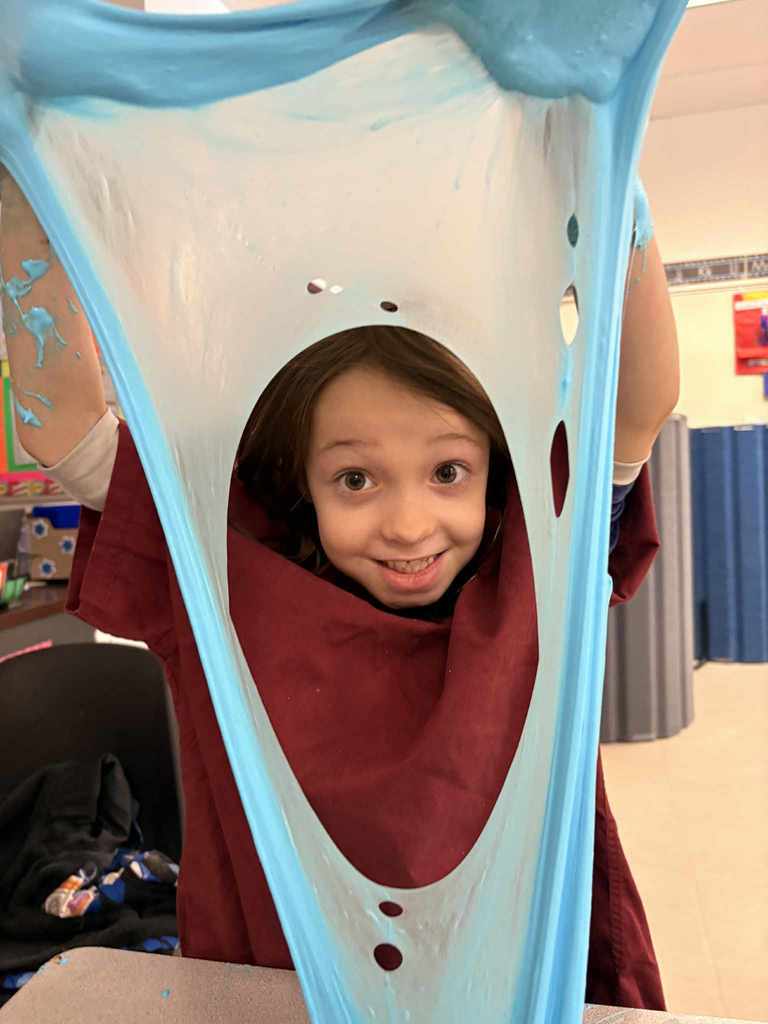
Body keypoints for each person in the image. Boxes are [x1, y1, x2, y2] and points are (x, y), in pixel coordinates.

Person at [0, 162, 678, 1009]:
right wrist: (20, 189)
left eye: (447, 471)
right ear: (301, 483)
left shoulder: (541, 568)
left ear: (494, 473)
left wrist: (616, 196)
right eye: (356, 480)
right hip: (281, 992)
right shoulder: (224, 576)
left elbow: (638, 406)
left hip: (520, 993)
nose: (406, 523)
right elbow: (67, 432)